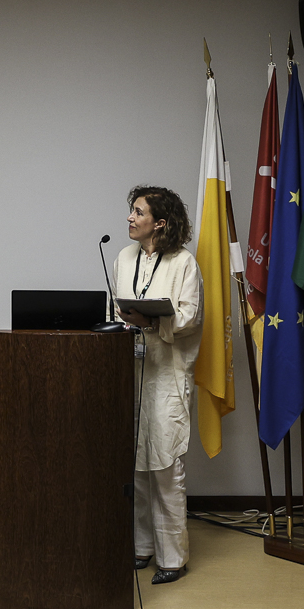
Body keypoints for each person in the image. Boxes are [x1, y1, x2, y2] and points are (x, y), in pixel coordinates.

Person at [113, 185, 203, 584]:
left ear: (160, 222)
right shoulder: (122, 257)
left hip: (167, 374)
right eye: (131, 211)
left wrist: (152, 322)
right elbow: (112, 306)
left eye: (138, 212)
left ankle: (172, 558)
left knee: (165, 466)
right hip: (128, 373)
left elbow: (189, 318)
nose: (130, 218)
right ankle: (140, 548)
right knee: (135, 464)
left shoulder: (184, 263)